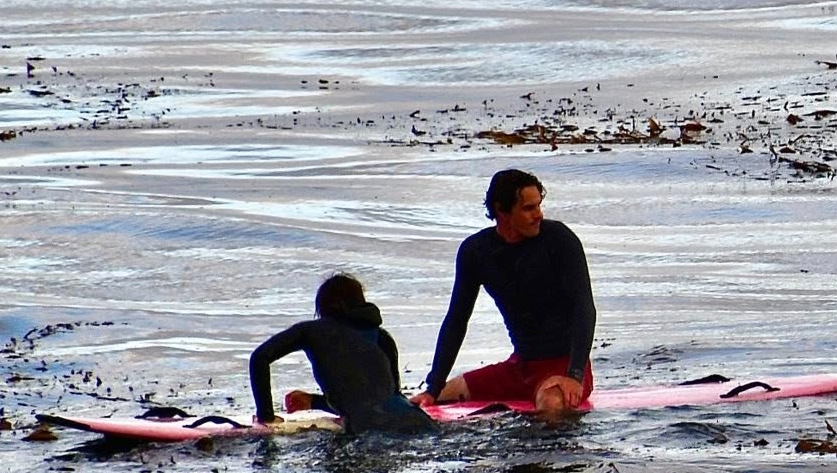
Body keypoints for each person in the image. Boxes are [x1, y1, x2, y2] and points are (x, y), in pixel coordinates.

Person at [413, 167, 597, 420]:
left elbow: (583, 307)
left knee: (551, 407)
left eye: (539, 206)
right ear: (502, 210)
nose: (538, 215)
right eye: (528, 208)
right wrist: (433, 388)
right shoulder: (476, 252)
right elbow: (457, 320)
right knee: (437, 397)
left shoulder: (559, 240)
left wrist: (574, 375)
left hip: (562, 367)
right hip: (518, 368)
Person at [250, 273, 437, 434]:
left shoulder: (309, 331)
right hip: (419, 420)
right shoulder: (382, 337)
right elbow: (382, 397)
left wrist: (266, 416)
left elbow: (260, 358)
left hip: (367, 430)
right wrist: (313, 402)